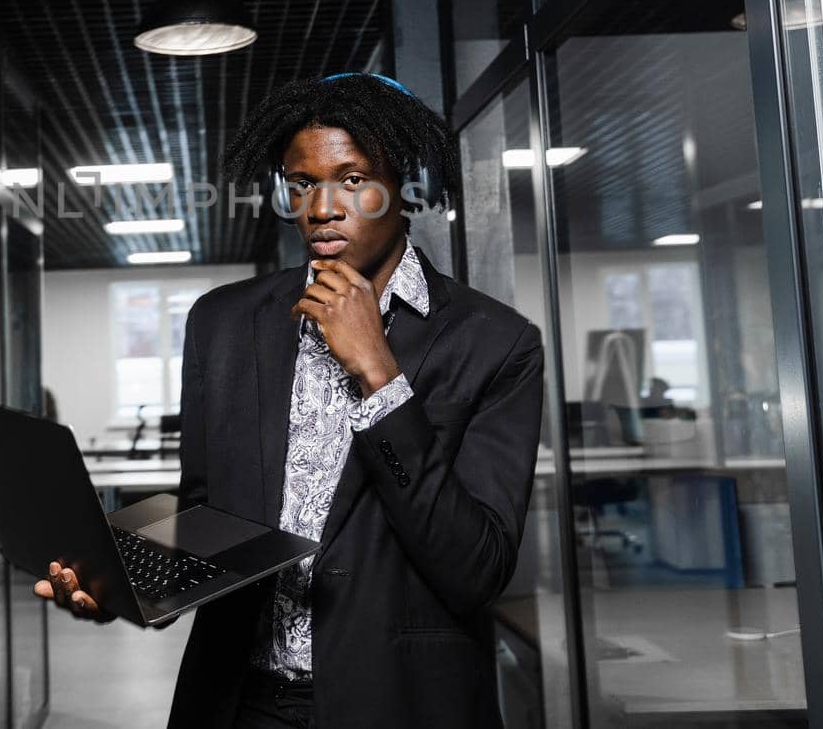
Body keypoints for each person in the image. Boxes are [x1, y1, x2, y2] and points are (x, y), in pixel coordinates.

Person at [34, 73, 545, 728]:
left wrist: (380, 377)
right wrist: (123, 580)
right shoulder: (223, 321)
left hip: (402, 702)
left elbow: (476, 570)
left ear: (402, 184)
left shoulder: (497, 344)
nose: (321, 206)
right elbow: (207, 511)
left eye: (352, 179)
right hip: (238, 699)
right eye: (301, 183)